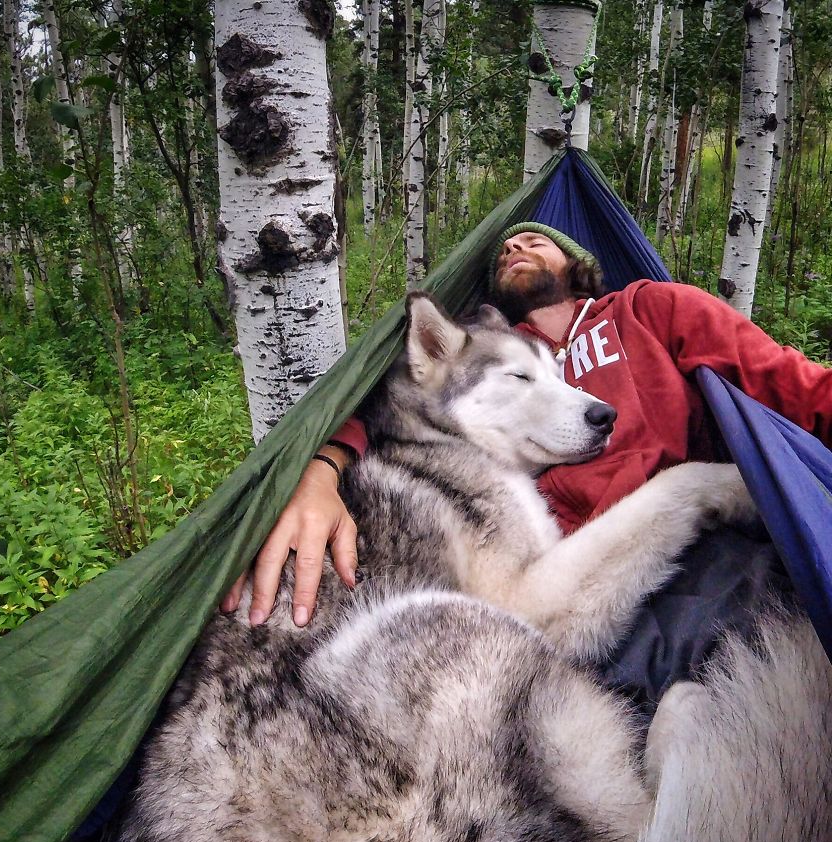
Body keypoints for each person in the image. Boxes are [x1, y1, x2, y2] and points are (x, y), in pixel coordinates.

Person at [222, 223, 832, 668]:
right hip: (548, 579)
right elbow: (394, 403)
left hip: (688, 561)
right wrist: (321, 468)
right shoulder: (488, 350)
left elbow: (791, 385)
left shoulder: (649, 310)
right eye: (506, 247)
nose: (515, 247)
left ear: (575, 261)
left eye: (535, 240)